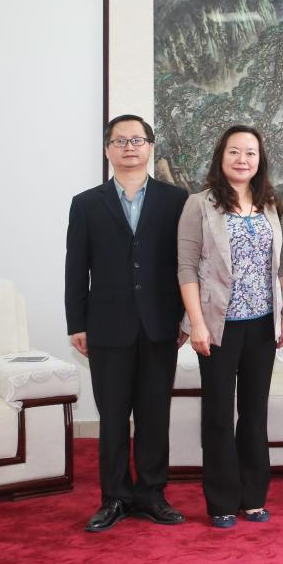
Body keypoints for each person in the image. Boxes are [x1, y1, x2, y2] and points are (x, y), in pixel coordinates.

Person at [65, 114, 189, 532]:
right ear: (108, 150)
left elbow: (186, 264)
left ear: (150, 147)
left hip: (160, 324)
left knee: (154, 415)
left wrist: (185, 317)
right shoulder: (86, 203)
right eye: (120, 141)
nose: (129, 147)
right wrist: (76, 323)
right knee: (113, 417)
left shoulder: (176, 200)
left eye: (137, 140)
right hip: (106, 326)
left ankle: (152, 494)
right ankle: (115, 498)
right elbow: (75, 267)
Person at [177, 125, 283, 529]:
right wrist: (197, 324)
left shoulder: (269, 204)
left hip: (261, 326)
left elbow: (280, 265)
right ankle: (222, 501)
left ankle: (253, 497)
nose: (243, 159)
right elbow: (186, 268)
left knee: (255, 413)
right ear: (221, 156)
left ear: (260, 160)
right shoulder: (199, 205)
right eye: (234, 151)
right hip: (217, 326)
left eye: (251, 153)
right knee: (218, 415)